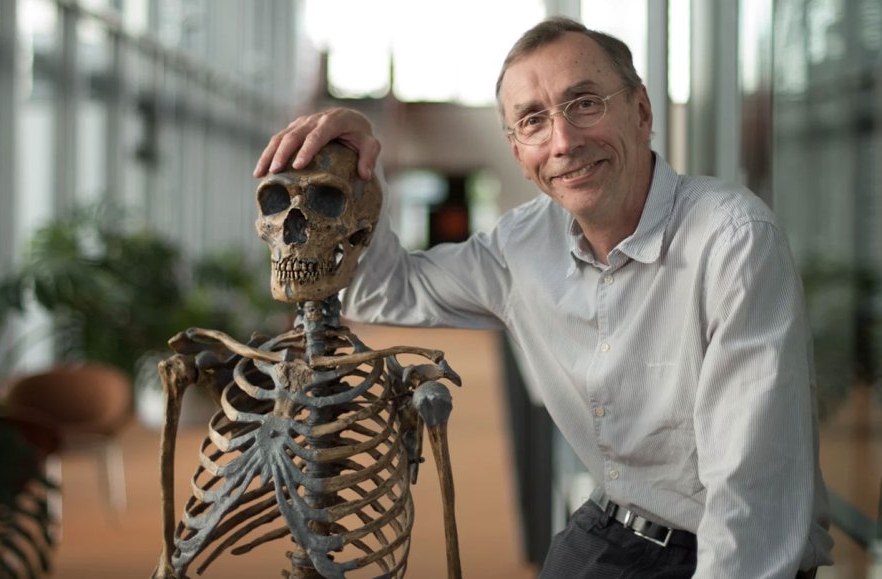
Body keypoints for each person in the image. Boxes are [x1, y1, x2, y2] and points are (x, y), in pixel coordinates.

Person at [254, 16, 833, 579]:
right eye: (533, 120)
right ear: (516, 151)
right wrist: (357, 166)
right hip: (613, 527)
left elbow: (751, 501)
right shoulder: (523, 244)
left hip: (717, 548)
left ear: (641, 111)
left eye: (585, 104)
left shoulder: (733, 240)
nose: (563, 142)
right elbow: (385, 289)